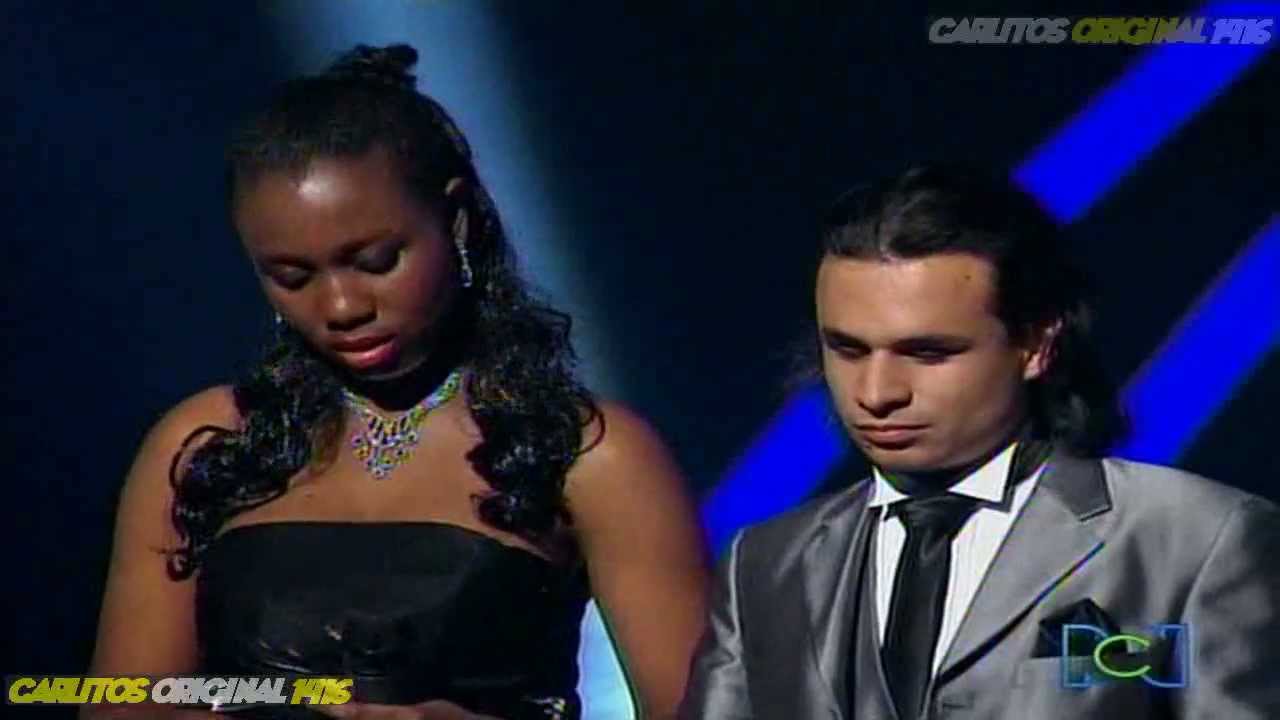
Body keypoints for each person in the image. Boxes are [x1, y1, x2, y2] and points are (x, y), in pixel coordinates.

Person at [86, 44, 709, 720]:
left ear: (456, 219)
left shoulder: (587, 453)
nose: (341, 307)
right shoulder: (207, 446)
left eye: (377, 261)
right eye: (292, 277)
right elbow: (120, 704)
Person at [680, 166, 1280, 719]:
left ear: (1037, 345)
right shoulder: (763, 563)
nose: (877, 392)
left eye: (928, 353)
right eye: (848, 349)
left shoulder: (1199, 540)